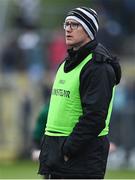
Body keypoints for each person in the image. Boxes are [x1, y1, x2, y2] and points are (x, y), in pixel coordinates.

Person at [38, 7, 121, 179]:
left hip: (79, 161)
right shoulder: (68, 62)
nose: (68, 29)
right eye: (66, 24)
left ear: (89, 29)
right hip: (57, 158)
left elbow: (95, 117)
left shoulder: (98, 67)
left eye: (75, 25)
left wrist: (68, 149)